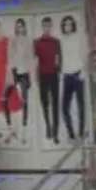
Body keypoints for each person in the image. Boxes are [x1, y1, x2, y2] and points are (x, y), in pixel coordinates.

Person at [35, 16, 62, 144]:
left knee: (55, 104)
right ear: (42, 27)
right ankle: (48, 127)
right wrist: (36, 77)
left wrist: (58, 71)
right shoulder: (37, 42)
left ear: (51, 26)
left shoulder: (56, 42)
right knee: (44, 103)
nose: (47, 28)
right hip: (42, 76)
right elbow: (35, 61)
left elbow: (58, 58)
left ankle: (55, 133)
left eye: (48, 25)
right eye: (45, 25)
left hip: (53, 76)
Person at [4, 18, 32, 130]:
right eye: (17, 26)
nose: (19, 28)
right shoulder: (12, 40)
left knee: (24, 100)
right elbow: (9, 57)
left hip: (24, 72)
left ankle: (25, 124)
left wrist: (30, 75)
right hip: (14, 72)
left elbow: (30, 58)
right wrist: (10, 73)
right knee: (5, 98)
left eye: (21, 26)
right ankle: (9, 123)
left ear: (24, 27)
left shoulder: (28, 40)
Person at [61, 15, 85, 141]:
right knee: (64, 108)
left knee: (81, 106)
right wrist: (62, 73)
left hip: (78, 75)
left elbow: (83, 54)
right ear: (63, 26)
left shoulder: (78, 37)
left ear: (73, 25)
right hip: (67, 76)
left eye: (70, 24)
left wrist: (83, 72)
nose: (68, 26)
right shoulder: (62, 40)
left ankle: (81, 133)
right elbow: (61, 58)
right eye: (66, 24)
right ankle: (71, 134)